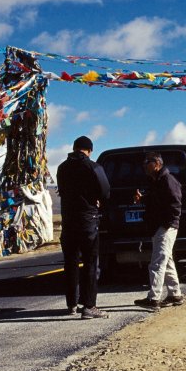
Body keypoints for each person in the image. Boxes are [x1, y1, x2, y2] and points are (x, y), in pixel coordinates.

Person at [56, 135, 110, 319]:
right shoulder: (93, 166)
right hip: (87, 220)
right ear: (89, 150)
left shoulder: (62, 168)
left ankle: (71, 304)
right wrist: (97, 200)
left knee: (70, 262)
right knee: (90, 263)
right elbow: (105, 191)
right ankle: (89, 306)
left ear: (74, 148)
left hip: (68, 221)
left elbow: (62, 191)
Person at [134, 152, 184, 311]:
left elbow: (175, 203)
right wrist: (142, 199)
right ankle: (175, 294)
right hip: (160, 227)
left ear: (157, 163)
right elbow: (157, 201)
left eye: (147, 162)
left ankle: (154, 298)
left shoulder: (168, 180)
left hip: (165, 227)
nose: (144, 165)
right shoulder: (156, 181)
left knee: (157, 263)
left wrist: (169, 223)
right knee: (166, 260)